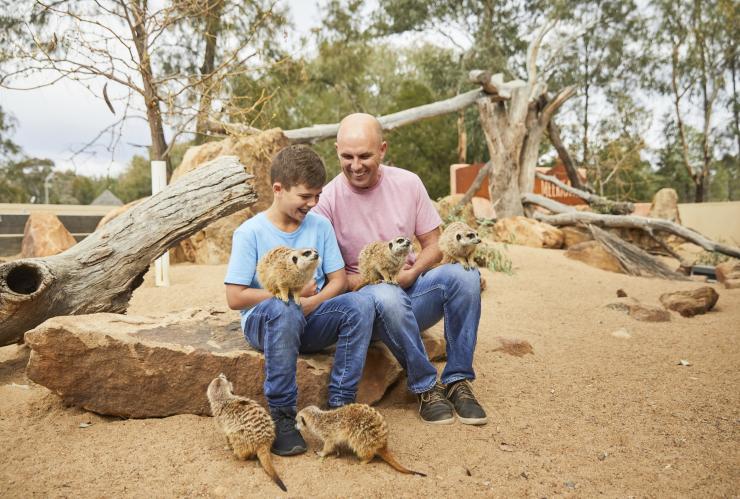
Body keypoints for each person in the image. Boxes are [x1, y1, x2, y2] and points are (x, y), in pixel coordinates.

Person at [313, 113, 487, 426]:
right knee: (386, 294)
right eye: (347, 156)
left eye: (365, 155)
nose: (356, 165)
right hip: (367, 310)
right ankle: (426, 387)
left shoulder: (408, 183)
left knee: (466, 275)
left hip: (413, 291)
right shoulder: (326, 200)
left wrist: (411, 272)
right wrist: (375, 283)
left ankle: (459, 380)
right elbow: (330, 278)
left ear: (383, 149)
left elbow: (434, 245)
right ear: (336, 149)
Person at [224, 144, 375, 456]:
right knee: (285, 308)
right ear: (278, 189)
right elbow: (235, 297)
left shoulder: (319, 225)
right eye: (305, 196)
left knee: (360, 304)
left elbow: (339, 281)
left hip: (309, 316)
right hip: (266, 321)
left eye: (318, 195)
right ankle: (282, 415)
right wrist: (287, 298)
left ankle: (340, 408)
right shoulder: (249, 232)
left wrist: (310, 302)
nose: (313, 203)